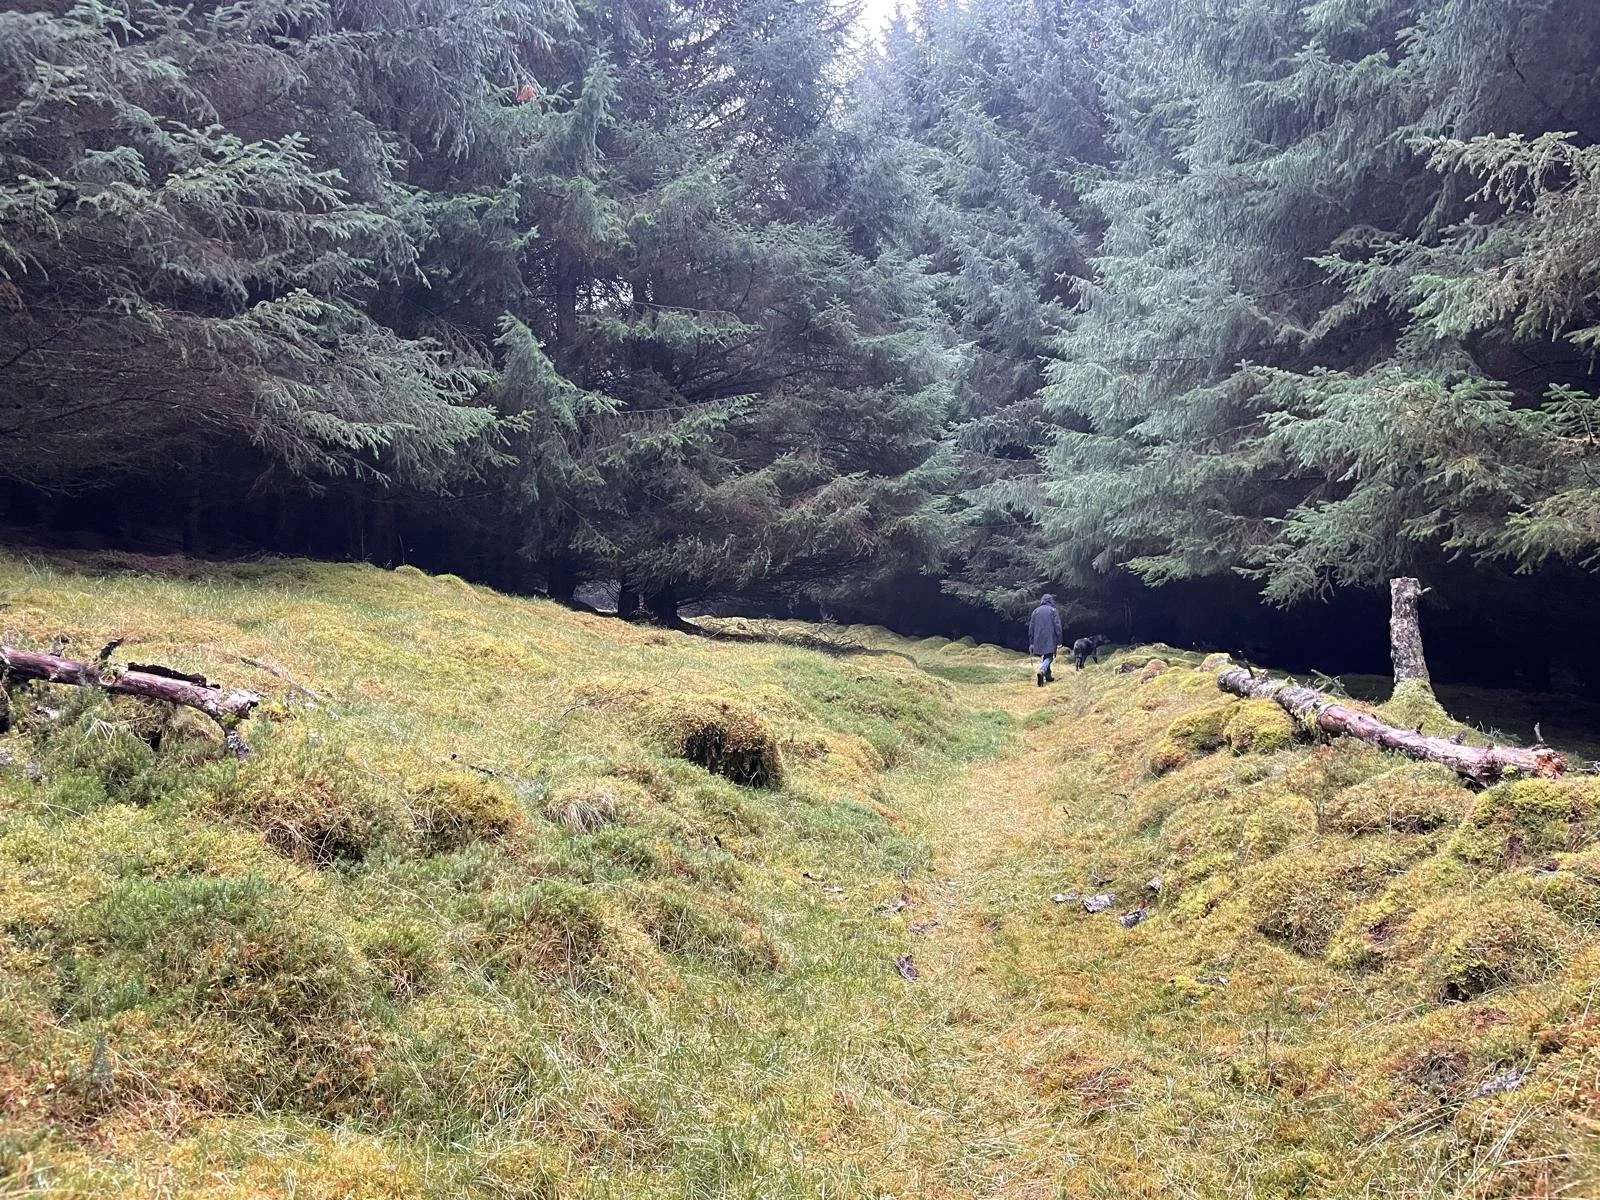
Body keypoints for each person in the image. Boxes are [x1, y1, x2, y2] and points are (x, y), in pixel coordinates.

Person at [1028, 593, 1063, 687]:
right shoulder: (1053, 610)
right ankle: (1043, 670)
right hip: (1050, 637)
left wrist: (1031, 642)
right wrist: (1059, 641)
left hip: (1038, 638)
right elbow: (1057, 627)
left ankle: (1048, 676)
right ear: (1051, 601)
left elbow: (1031, 627)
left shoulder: (1035, 611)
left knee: (1046, 656)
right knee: (1049, 656)